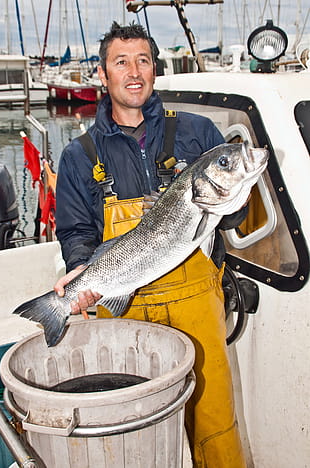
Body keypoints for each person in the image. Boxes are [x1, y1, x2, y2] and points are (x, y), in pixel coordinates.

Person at [55, 21, 247, 468]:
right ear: (103, 75)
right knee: (131, 432)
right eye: (121, 62)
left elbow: (233, 219)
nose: (133, 71)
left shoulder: (197, 133)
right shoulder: (78, 155)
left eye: (143, 60)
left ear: (155, 71)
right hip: (123, 303)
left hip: (197, 301)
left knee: (213, 421)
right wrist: (82, 271)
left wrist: (234, 197)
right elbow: (77, 232)